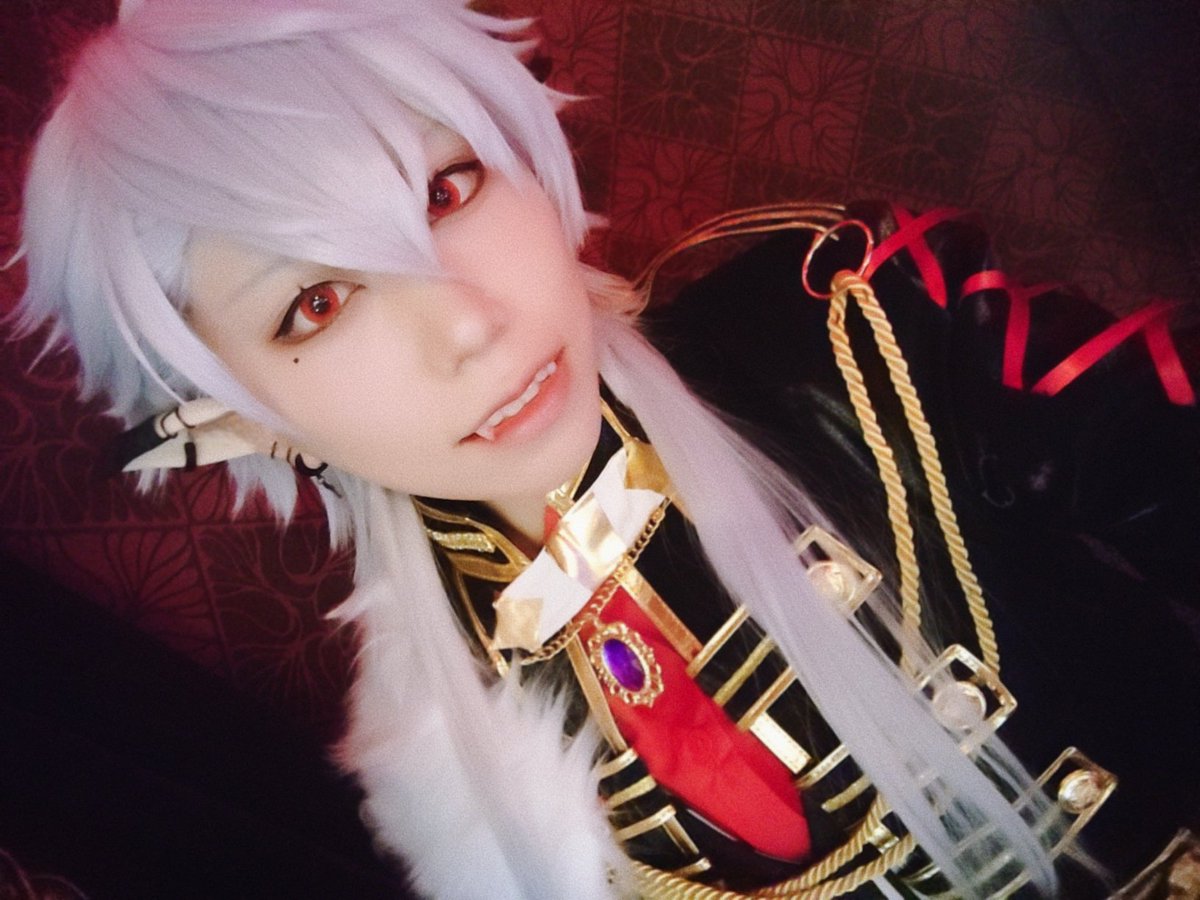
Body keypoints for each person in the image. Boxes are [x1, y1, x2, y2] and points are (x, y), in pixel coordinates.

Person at [14, 0, 1199, 897]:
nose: (467, 325)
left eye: (447, 188)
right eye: (316, 304)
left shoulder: (856, 325)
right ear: (237, 415)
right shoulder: (450, 771)